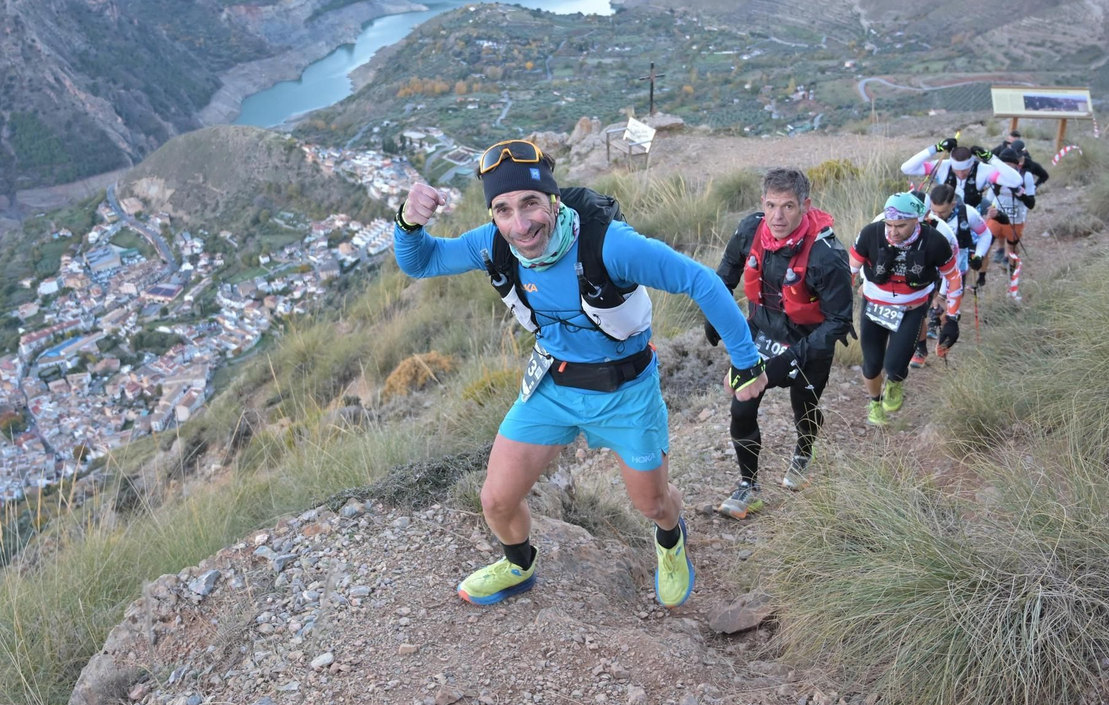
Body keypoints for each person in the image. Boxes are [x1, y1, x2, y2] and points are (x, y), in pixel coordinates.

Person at [393, 139, 768, 609]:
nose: (520, 223)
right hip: (553, 385)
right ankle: (518, 565)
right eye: (504, 210)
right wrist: (409, 221)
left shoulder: (609, 244)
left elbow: (700, 281)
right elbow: (420, 260)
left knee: (652, 504)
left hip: (626, 390)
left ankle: (671, 538)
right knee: (496, 500)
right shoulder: (493, 243)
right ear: (493, 214)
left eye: (530, 204)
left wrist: (745, 359)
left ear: (553, 200)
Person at [708, 167, 853, 513]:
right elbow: (723, 275)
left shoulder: (827, 255)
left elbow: (839, 321)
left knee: (805, 405)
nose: (777, 216)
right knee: (742, 406)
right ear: (762, 202)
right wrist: (713, 315)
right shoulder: (750, 229)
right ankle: (749, 486)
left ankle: (804, 450)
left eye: (788, 206)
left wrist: (792, 358)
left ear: (805, 204)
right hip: (760, 334)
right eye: (771, 205)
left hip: (809, 341)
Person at [848, 192, 963, 427]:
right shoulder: (871, 232)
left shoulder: (935, 240)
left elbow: (954, 277)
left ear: (917, 220)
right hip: (874, 306)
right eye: (889, 225)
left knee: (894, 366)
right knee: (871, 365)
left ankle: (895, 382)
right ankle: (874, 402)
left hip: (910, 308)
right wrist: (839, 312)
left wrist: (952, 317)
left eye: (900, 225)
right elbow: (848, 271)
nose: (892, 232)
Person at [911, 184, 991, 368]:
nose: (937, 217)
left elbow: (985, 234)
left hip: (956, 267)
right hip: (930, 268)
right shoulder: (927, 220)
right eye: (934, 212)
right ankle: (921, 347)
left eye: (943, 212)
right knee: (922, 307)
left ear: (953, 203)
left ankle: (944, 338)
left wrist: (979, 255)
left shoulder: (967, 213)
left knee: (947, 306)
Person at [901, 136, 1022, 212]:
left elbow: (1016, 181)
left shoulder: (983, 170)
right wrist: (936, 148)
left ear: (971, 164)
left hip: (972, 218)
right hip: (943, 217)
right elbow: (906, 168)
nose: (960, 174)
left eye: (964, 170)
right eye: (956, 170)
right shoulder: (942, 166)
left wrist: (991, 158)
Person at [982, 143, 1037, 301]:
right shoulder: (996, 176)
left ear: (1016, 164)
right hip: (997, 217)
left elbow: (1031, 204)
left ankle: (1012, 283)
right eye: (1003, 166)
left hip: (1016, 219)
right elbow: (988, 201)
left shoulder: (1025, 176)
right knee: (985, 244)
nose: (1006, 169)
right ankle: (981, 279)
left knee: (1012, 248)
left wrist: (1019, 192)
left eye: (1009, 166)